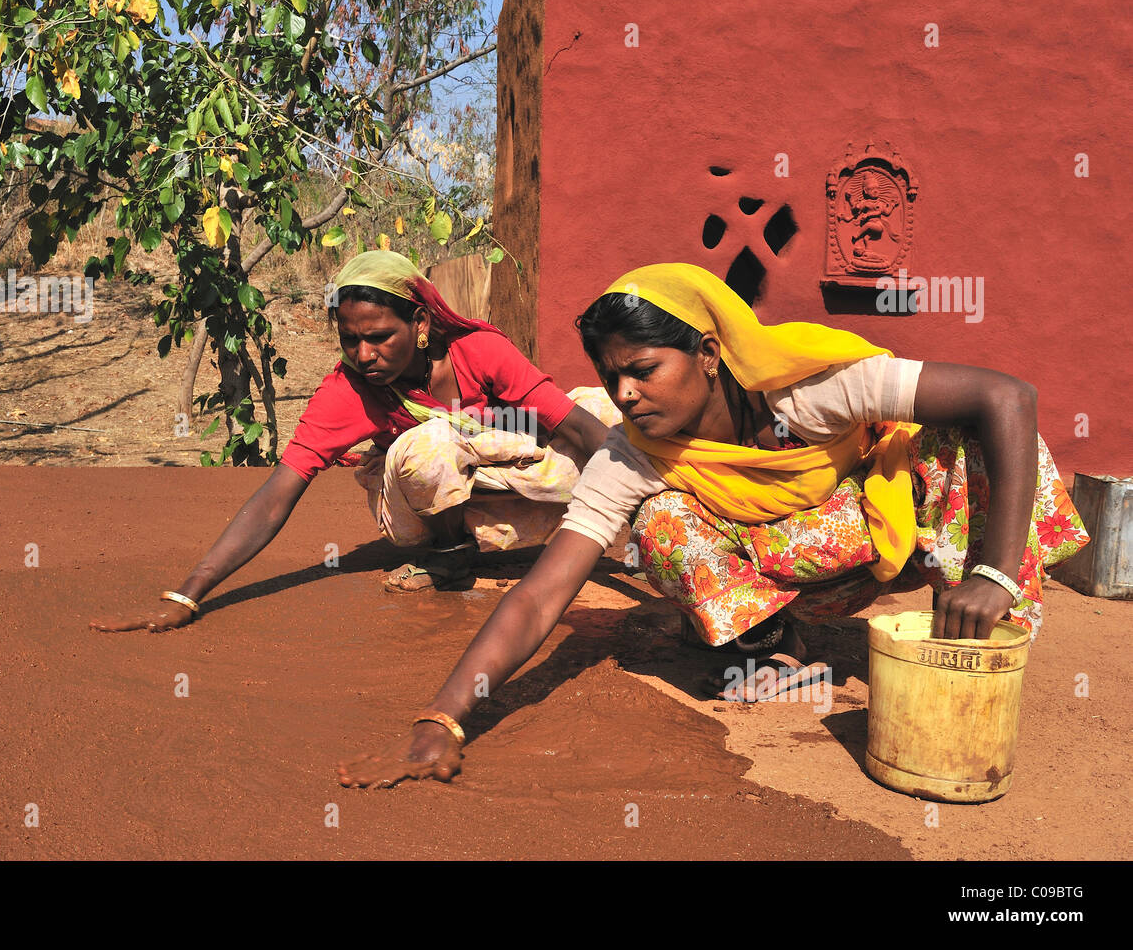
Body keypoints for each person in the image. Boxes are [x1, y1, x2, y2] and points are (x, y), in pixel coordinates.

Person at [337, 262, 1090, 788]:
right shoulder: (636, 454)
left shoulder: (812, 390)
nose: (624, 395)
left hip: (874, 545)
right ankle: (773, 646)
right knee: (660, 521)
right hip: (790, 581)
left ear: (705, 354)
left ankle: (978, 658)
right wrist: (446, 716)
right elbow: (539, 596)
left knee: (960, 441)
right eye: (610, 378)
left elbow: (1009, 397)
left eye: (642, 369)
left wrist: (991, 572)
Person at [89, 250, 618, 633]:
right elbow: (279, 492)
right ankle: (451, 557)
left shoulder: (478, 351)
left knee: (601, 406)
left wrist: (652, 486)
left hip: (510, 486)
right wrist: (190, 592)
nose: (364, 355)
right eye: (350, 339)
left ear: (420, 322)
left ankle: (623, 510)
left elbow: (570, 423)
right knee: (426, 444)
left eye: (379, 337)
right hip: (420, 511)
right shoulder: (347, 391)